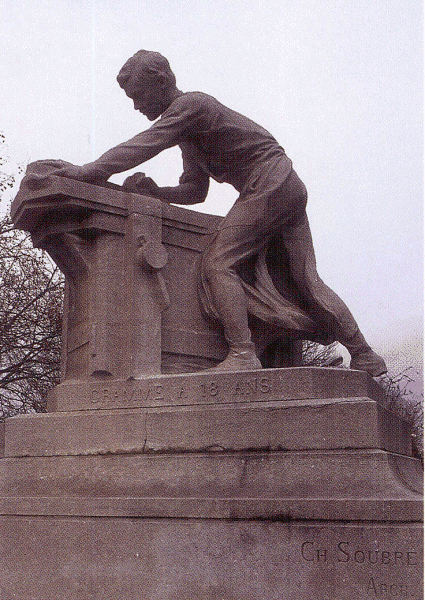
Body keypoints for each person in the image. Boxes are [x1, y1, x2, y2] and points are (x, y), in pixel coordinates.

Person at [55, 50, 387, 377]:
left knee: (218, 263)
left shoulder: (192, 105)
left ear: (161, 82)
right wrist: (156, 193)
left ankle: (243, 353)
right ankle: (364, 354)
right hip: (284, 184)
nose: (136, 106)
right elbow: (195, 191)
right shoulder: (189, 134)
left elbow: (146, 143)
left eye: (138, 95)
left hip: (270, 181)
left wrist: (90, 171)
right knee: (306, 279)